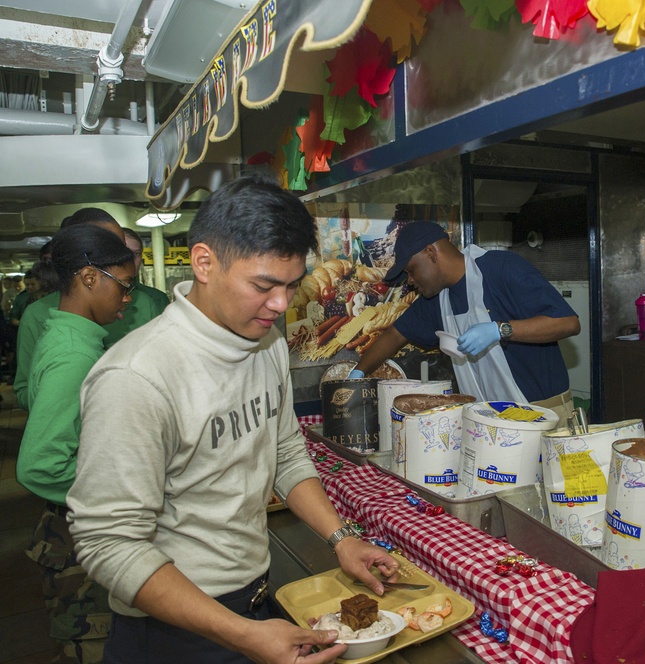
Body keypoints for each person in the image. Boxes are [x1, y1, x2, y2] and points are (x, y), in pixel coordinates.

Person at [67, 176, 399, 664]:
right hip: (174, 629)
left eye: (291, 285)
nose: (281, 304)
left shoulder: (265, 344)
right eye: (263, 286)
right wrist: (241, 635)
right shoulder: (137, 376)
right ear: (204, 263)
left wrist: (342, 538)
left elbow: (285, 452)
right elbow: (108, 543)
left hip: (254, 601)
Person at [16, 224, 136, 663]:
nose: (128, 299)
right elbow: (40, 464)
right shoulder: (73, 355)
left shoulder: (71, 336)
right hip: (80, 541)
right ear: (88, 278)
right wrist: (120, 491)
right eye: (124, 286)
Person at [351, 221, 581, 424]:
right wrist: (358, 374)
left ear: (431, 252)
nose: (410, 281)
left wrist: (499, 330)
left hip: (542, 415)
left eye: (411, 270)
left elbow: (568, 322)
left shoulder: (500, 269)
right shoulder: (437, 299)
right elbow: (396, 334)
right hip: (487, 421)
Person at [13, 208, 164, 410]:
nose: (120, 254)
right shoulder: (59, 336)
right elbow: (29, 393)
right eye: (105, 244)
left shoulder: (145, 303)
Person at [122, 227, 171, 310]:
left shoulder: (158, 299)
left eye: (136, 253)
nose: (131, 259)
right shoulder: (100, 298)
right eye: (125, 252)